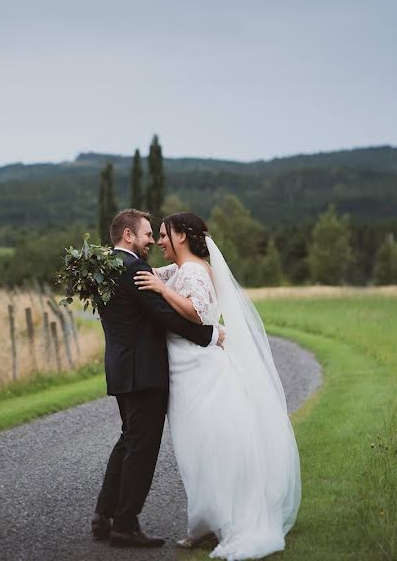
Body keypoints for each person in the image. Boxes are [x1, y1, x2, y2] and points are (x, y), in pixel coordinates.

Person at [133, 211, 301, 559]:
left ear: (181, 236)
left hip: (199, 372)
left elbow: (197, 312)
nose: (160, 241)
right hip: (184, 369)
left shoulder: (192, 270)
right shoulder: (181, 269)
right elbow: (141, 271)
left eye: (164, 235)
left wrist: (163, 289)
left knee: (205, 448)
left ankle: (216, 522)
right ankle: (206, 521)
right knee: (196, 449)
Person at [91, 208, 225, 548]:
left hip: (121, 368)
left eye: (157, 234)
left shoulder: (104, 267)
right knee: (142, 446)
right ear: (128, 236)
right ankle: (125, 522)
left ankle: (104, 513)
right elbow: (166, 316)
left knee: (128, 439)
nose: (152, 239)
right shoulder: (134, 268)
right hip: (145, 373)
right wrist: (210, 336)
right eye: (148, 233)